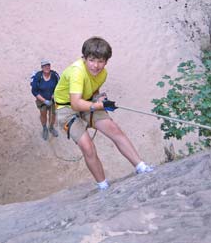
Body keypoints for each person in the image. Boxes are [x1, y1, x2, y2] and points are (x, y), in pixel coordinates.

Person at [54, 36, 153, 191]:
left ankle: (141, 166)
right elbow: (75, 103)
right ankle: (103, 185)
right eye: (92, 60)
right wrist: (98, 105)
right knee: (87, 146)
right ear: (84, 58)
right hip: (66, 109)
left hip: (88, 102)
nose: (96, 65)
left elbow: (93, 90)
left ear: (106, 62)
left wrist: (98, 98)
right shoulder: (77, 72)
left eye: (101, 61)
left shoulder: (103, 74)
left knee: (114, 129)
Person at [31, 60, 60, 140]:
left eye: (48, 66)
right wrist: (44, 100)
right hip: (42, 101)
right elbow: (34, 91)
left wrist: (54, 95)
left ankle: (51, 127)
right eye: (44, 66)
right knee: (43, 114)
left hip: (53, 100)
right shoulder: (38, 76)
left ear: (50, 66)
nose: (46, 67)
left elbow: (60, 86)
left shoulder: (54, 75)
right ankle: (44, 128)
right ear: (42, 68)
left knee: (53, 114)